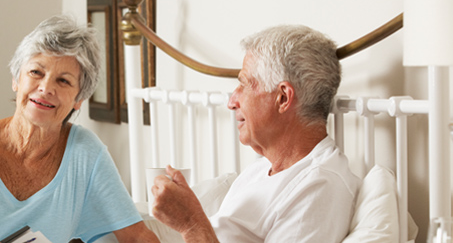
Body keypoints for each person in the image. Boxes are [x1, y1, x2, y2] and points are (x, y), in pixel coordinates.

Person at [0, 15, 158, 243]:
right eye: (36, 72)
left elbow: (136, 237)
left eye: (63, 80)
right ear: (16, 79)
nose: (45, 88)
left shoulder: (86, 153)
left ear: (79, 99)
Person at [151, 25, 361, 242]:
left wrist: (191, 223)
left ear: (283, 98)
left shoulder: (319, 188)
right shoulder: (262, 168)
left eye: (244, 85)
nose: (231, 102)